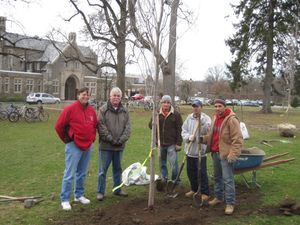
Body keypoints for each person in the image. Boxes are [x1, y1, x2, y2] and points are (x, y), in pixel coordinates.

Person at [55, 87, 97, 211]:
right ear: (78, 95)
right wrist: (68, 140)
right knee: (69, 173)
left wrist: (92, 138)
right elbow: (58, 126)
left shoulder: (91, 110)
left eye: (87, 95)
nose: (85, 97)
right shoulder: (70, 109)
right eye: (83, 94)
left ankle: (79, 195)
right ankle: (65, 199)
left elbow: (94, 125)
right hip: (74, 145)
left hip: (87, 145)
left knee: (82, 172)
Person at [201, 98, 243, 215]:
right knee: (217, 177)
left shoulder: (231, 120)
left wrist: (233, 154)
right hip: (215, 153)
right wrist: (202, 139)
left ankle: (230, 203)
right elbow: (211, 135)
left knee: (228, 180)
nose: (217, 108)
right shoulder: (215, 118)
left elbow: (237, 139)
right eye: (215, 106)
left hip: (226, 155)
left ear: (225, 106)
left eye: (220, 106)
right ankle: (218, 197)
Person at [96, 87, 131, 201]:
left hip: (119, 146)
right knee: (102, 171)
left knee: (118, 169)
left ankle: (118, 189)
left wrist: (120, 140)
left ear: (121, 98)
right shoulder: (103, 110)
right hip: (106, 146)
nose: (116, 97)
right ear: (110, 96)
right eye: (114, 95)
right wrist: (111, 139)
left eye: (118, 96)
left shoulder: (125, 111)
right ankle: (100, 192)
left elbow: (128, 128)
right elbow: (101, 127)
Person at [181, 99, 211, 203]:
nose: (195, 108)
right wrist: (189, 137)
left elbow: (207, 131)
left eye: (197, 106)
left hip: (200, 152)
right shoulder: (189, 118)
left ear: (201, 107)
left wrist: (202, 124)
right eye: (194, 106)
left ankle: (205, 192)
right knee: (191, 172)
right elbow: (183, 131)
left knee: (202, 173)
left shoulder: (206, 118)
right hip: (190, 150)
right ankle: (194, 189)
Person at [149, 95, 183, 183]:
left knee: (174, 164)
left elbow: (180, 129)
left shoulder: (175, 114)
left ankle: (175, 181)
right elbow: (150, 126)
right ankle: (164, 178)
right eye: (164, 102)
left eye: (168, 102)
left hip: (171, 143)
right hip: (160, 144)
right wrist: (153, 118)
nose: (166, 104)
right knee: (162, 163)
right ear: (161, 103)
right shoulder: (157, 113)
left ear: (170, 104)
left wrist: (179, 143)